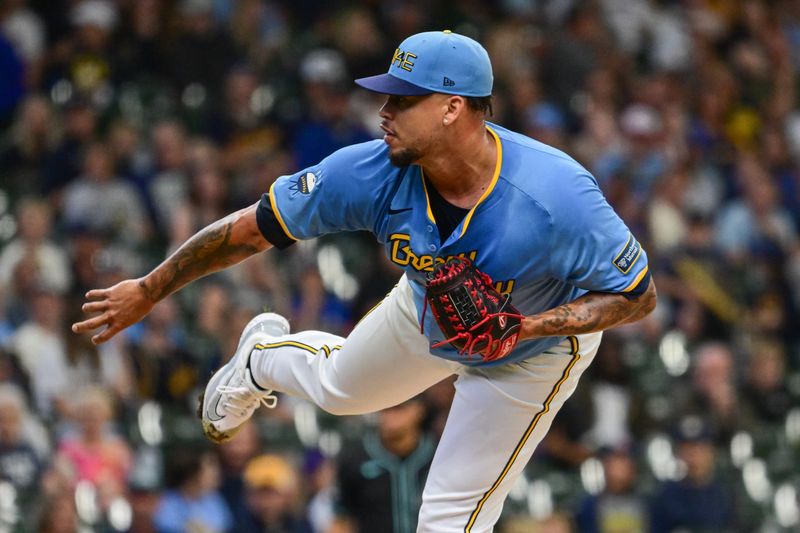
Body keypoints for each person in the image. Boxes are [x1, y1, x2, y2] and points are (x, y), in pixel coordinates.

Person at [73, 31, 657, 531]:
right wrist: (151, 288)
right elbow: (251, 230)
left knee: (449, 516)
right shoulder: (370, 170)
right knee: (339, 390)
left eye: (403, 100)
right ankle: (259, 359)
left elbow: (638, 296)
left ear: (452, 107)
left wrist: (527, 327)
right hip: (426, 304)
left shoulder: (557, 195)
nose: (384, 111)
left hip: (533, 352)